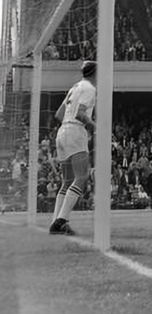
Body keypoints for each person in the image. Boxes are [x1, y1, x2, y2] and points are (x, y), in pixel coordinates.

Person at [49, 61, 97, 235]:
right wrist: (95, 126)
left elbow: (59, 114)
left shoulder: (74, 87)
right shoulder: (90, 89)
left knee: (67, 181)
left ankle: (57, 221)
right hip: (75, 131)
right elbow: (80, 113)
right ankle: (61, 221)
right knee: (82, 176)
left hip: (62, 132)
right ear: (95, 73)